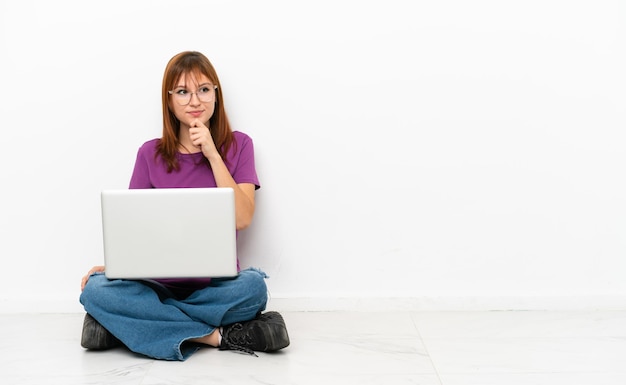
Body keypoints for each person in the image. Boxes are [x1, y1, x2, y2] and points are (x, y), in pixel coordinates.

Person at [79, 51, 289, 361]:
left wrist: (213, 155)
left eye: (204, 90)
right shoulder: (149, 154)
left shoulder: (239, 145)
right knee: (95, 290)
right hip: (154, 285)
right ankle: (215, 337)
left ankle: (123, 326)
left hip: (215, 286)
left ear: (216, 95)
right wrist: (115, 265)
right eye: (183, 92)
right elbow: (133, 229)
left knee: (254, 288)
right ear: (169, 100)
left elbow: (243, 217)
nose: (195, 101)